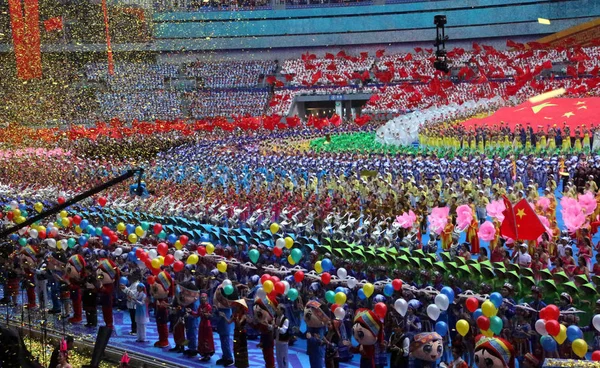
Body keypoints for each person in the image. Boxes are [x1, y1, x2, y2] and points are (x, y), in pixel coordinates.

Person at [121, 270, 140, 335]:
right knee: (132, 318)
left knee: (134, 318)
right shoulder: (133, 284)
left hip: (134, 304)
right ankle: (133, 329)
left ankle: (135, 330)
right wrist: (124, 288)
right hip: (131, 304)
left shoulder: (137, 284)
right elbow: (129, 290)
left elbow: (133, 294)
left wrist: (125, 288)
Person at [273, 302, 290, 368]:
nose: (276, 310)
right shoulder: (276, 318)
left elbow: (283, 331)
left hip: (283, 342)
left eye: (278, 309)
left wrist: (276, 327)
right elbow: (273, 327)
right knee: (278, 358)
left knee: (284, 358)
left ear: (282, 311)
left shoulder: (286, 320)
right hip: (277, 341)